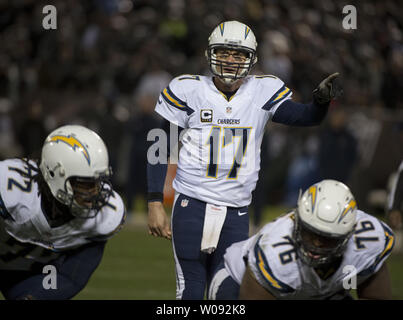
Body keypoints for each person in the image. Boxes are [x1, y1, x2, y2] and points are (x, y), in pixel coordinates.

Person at [147, 20, 341, 299]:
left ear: (251, 59)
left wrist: (321, 103)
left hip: (237, 211)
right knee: (189, 290)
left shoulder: (262, 90)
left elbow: (305, 117)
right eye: (224, 52)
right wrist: (155, 202)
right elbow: (159, 147)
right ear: (210, 53)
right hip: (192, 204)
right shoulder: (187, 89)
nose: (230, 60)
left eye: (239, 54)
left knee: (227, 293)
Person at [208, 180, 394, 300]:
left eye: (326, 238)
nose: (316, 244)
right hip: (239, 280)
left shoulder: (368, 241)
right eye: (310, 233)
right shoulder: (275, 254)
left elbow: (375, 296)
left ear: (348, 235)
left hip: (317, 292)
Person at [0, 125, 126, 299]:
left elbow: (72, 276)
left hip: (32, 273)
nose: (95, 193)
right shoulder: (11, 188)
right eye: (85, 184)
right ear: (54, 175)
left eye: (98, 183)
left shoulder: (104, 216)